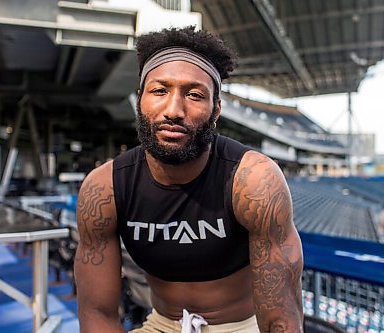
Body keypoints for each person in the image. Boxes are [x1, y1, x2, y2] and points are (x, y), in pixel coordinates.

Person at [74, 26, 304, 333]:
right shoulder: (104, 189)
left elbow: (280, 321)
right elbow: (97, 314)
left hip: (243, 326)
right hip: (161, 324)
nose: (174, 110)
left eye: (194, 95)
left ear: (216, 109)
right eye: (159, 91)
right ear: (140, 99)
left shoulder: (255, 181)